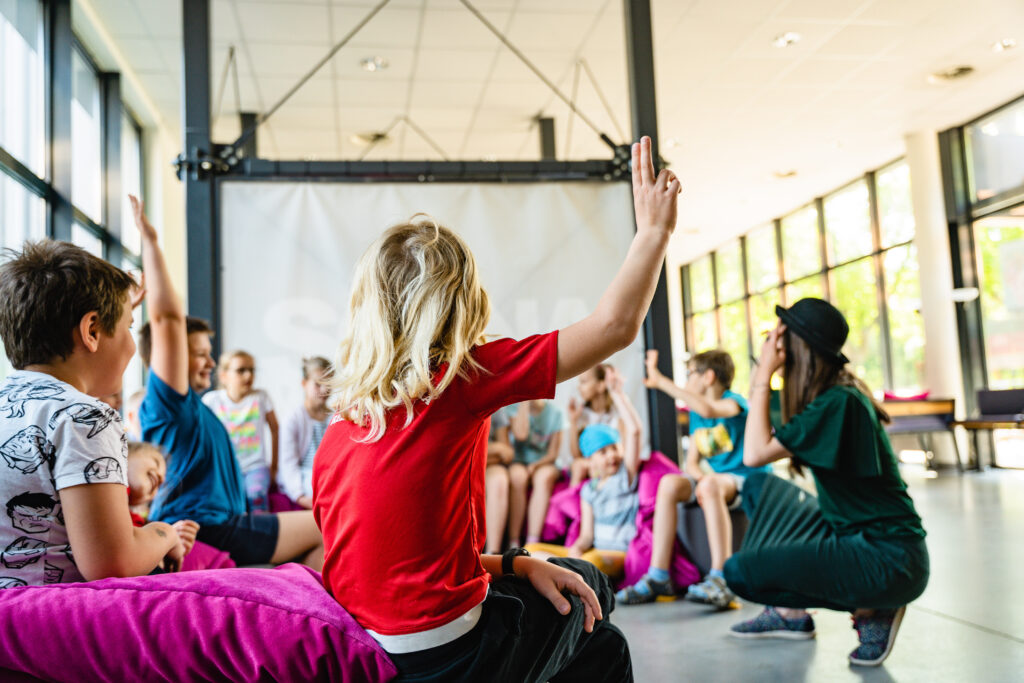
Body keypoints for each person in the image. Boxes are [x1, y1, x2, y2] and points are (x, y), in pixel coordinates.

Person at [313, 137, 677, 681]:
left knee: (567, 584)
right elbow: (613, 328)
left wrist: (517, 564)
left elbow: (403, 570)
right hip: (450, 654)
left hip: (378, 656)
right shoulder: (458, 378)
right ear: (460, 303)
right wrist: (653, 232)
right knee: (599, 626)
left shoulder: (341, 429)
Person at [725, 298, 929, 668]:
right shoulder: (832, 395)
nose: (774, 344)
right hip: (854, 534)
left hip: (889, 559)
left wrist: (762, 375)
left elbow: (753, 452)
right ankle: (790, 614)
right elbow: (757, 450)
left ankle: (874, 607)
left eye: (781, 337)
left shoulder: (838, 403)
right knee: (756, 486)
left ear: (799, 348)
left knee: (739, 573)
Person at [129, 195, 324, 570]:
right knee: (327, 523)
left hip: (227, 524)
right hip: (207, 528)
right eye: (199, 353)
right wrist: (150, 243)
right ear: (169, 357)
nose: (210, 361)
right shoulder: (165, 403)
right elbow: (167, 319)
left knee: (323, 545)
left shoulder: (195, 408)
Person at [0, 240, 183, 585]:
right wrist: (165, 534)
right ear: (92, 331)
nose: (131, 345)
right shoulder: (84, 417)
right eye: (128, 328)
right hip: (45, 621)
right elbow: (113, 562)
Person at [617, 349, 767, 608]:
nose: (686, 380)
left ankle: (721, 578)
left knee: (709, 484)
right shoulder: (697, 416)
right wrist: (702, 483)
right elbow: (692, 463)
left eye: (690, 374)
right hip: (719, 482)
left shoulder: (734, 402)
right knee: (669, 483)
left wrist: (660, 380)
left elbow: (709, 409)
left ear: (708, 376)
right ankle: (658, 575)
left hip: (748, 480)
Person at [525, 377, 643, 579]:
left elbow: (635, 432)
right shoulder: (589, 490)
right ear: (590, 460)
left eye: (614, 448)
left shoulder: (625, 476)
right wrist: (577, 548)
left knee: (593, 561)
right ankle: (561, 572)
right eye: (603, 452)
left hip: (617, 555)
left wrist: (618, 395)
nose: (612, 455)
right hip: (593, 552)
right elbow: (587, 534)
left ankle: (564, 573)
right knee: (530, 550)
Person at [203, 350, 279, 511]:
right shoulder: (212, 400)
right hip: (226, 467)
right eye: (241, 370)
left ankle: (262, 532)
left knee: (257, 495)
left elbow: (275, 429)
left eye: (251, 370)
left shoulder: (261, 397)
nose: (248, 376)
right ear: (224, 376)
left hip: (255, 466)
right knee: (228, 503)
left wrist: (274, 467)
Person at [125, 441, 199, 569]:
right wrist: (168, 536)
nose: (162, 479)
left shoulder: (137, 522)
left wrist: (168, 548)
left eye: (161, 486)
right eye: (156, 462)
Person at [506, 399, 564, 547]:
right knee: (518, 477)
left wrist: (535, 465)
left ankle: (533, 541)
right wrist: (524, 402)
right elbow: (520, 435)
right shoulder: (513, 407)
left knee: (544, 478)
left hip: (544, 462)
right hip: (519, 460)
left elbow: (553, 454)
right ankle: (514, 541)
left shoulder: (556, 413)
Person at [278, 356, 331, 509]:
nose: (325, 389)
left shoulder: (336, 417)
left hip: (328, 474)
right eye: (318, 384)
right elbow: (288, 465)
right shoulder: (293, 419)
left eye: (329, 384)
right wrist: (300, 496)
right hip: (305, 476)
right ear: (304, 384)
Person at [566, 364, 624, 486]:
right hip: (589, 463)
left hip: (609, 462)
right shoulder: (582, 415)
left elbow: (622, 448)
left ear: (601, 385)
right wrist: (573, 421)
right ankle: (574, 499)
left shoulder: (616, 414)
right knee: (579, 465)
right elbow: (576, 455)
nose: (579, 387)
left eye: (584, 382)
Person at [483, 408, 514, 554]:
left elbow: (507, 453)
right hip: (462, 464)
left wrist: (484, 454)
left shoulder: (497, 410)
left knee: (500, 480)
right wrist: (495, 448)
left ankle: (493, 552)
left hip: (487, 465)